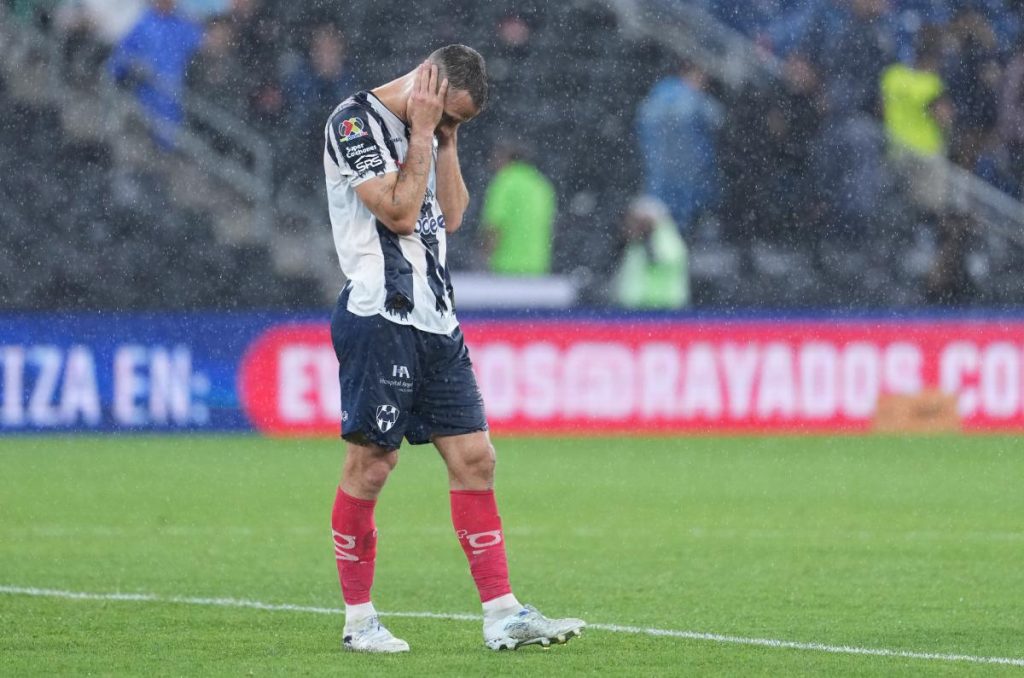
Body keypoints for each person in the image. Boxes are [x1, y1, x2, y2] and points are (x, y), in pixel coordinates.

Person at [322, 45, 585, 654]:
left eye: (460, 124)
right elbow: (399, 210)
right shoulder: (353, 122)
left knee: (476, 459)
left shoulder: (435, 137)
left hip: (438, 321)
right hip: (379, 314)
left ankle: (503, 614)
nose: (449, 131)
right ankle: (359, 622)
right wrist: (421, 132)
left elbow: (455, 214)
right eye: (450, 118)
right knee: (372, 465)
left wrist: (446, 142)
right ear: (425, 85)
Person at [635, 59, 721, 234]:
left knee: (660, 228)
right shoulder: (694, 101)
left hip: (659, 177)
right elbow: (718, 119)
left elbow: (642, 130)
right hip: (689, 178)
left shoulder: (654, 98)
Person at [107, 0, 202, 147]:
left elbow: (203, 55)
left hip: (177, 105)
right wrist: (134, 68)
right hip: (144, 106)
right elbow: (117, 64)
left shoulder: (185, 27)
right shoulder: (142, 24)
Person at [481, 143, 556, 276]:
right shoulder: (541, 184)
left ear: (505, 158)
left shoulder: (505, 182)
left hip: (506, 267)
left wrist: (483, 258)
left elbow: (495, 226)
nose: (492, 163)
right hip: (537, 267)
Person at [613, 196, 689, 309]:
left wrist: (648, 242)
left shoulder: (665, 238)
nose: (629, 225)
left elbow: (662, 261)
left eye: (635, 220)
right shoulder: (636, 242)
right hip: (637, 307)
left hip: (660, 307)